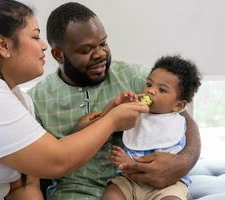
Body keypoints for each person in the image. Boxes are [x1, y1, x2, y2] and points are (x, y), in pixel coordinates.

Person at [0, 0, 149, 199]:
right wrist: (111, 121)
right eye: (35, 36)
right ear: (3, 45)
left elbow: (23, 184)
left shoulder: (17, 99)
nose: (43, 45)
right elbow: (56, 161)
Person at [28, 2, 201, 200]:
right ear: (59, 55)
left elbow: (181, 117)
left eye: (103, 43)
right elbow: (40, 166)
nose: (101, 54)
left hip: (141, 184)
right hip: (76, 193)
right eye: (87, 50)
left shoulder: (137, 78)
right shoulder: (36, 101)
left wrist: (183, 162)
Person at [100, 55, 202, 200]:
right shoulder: (134, 114)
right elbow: (107, 127)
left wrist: (130, 163)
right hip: (129, 180)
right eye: (149, 84)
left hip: (168, 186)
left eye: (162, 90)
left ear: (178, 105)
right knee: (112, 195)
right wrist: (118, 106)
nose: (151, 91)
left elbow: (164, 163)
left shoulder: (178, 124)